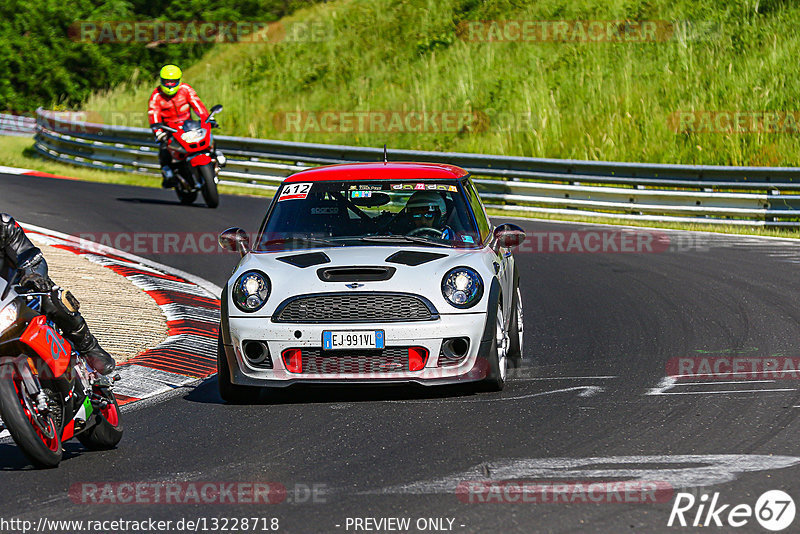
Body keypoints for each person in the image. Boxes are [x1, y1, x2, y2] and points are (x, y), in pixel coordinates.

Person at [0, 214, 116, 375]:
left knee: (51, 296)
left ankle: (89, 348)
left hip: (16, 294)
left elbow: (29, 254)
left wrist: (33, 276)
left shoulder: (4, 226)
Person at [147, 64, 224, 188]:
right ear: (161, 81)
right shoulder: (157, 96)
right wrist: (158, 131)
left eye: (173, 81)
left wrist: (208, 118)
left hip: (188, 125)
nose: (170, 85)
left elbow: (197, 104)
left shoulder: (186, 89)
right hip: (169, 129)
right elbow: (153, 114)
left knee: (209, 136)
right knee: (164, 148)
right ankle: (168, 173)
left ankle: (216, 157)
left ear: (179, 80)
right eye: (167, 81)